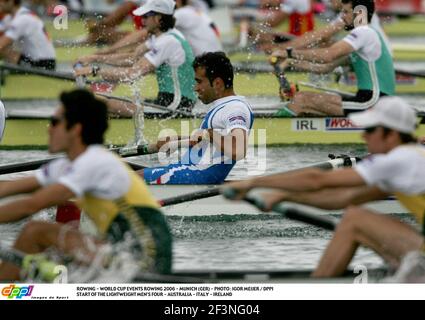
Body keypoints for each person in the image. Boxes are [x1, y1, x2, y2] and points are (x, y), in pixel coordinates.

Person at [223, 96, 425, 278]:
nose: (364, 136)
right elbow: (343, 199)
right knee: (355, 217)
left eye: (371, 130)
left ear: (392, 135)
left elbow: (317, 179)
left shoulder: (399, 159)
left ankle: (317, 289)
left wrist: (253, 182)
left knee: (355, 220)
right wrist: (284, 196)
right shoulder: (412, 157)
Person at [0, 89, 172, 281]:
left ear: (76, 129)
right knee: (41, 248)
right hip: (115, 247)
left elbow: (31, 205)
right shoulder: (66, 165)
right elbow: (8, 188)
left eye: (56, 122)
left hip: (146, 257)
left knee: (34, 231)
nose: (49, 128)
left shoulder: (94, 162)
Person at [139, 51, 254, 184]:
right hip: (186, 170)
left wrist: (210, 134)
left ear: (217, 83)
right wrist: (178, 139)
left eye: (199, 82)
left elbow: (238, 150)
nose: (195, 88)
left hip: (195, 176)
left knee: (123, 179)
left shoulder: (235, 109)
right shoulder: (224, 106)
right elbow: (209, 140)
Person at [271, 0, 395, 116]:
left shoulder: (364, 32)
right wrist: (290, 63)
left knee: (301, 99)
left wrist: (289, 52)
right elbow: (324, 68)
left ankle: (275, 130)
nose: (342, 17)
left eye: (346, 12)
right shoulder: (363, 38)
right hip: (371, 100)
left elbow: (328, 55)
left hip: (373, 102)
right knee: (303, 99)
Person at [75, 0, 197, 116]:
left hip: (176, 105)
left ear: (158, 18)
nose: (142, 21)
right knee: (105, 103)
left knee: (96, 102)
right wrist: (94, 58)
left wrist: (94, 70)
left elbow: (132, 73)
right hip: (168, 100)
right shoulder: (165, 35)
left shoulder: (167, 41)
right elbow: (132, 57)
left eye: (145, 17)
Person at [0, 0, 55, 69]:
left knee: (4, 48)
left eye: (2, 1)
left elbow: (1, 44)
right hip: (30, 59)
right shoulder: (10, 17)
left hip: (44, 63)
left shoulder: (23, 19)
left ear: (11, 2)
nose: (0, 3)